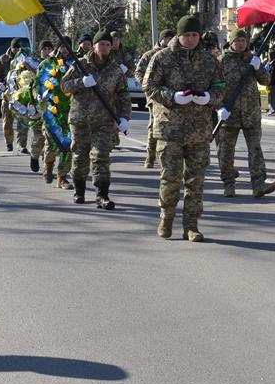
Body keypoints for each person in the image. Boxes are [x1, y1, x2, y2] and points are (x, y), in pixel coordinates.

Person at [144, 15, 224, 242]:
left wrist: (209, 97)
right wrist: (172, 97)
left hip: (199, 130)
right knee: (170, 178)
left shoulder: (209, 61)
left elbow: (220, 87)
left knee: (196, 181)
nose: (190, 39)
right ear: (178, 35)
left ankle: (191, 225)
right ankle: (166, 217)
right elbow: (149, 86)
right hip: (170, 129)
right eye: (186, 35)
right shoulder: (163, 58)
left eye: (194, 35)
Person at [60, 30, 131, 209]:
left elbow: (123, 95)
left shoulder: (116, 69)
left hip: (104, 122)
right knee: (80, 156)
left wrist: (124, 117)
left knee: (101, 157)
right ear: (94, 45)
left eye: (108, 44)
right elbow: (64, 86)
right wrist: (81, 83)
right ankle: (80, 191)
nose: (105, 47)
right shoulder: (80, 64)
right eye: (102, 44)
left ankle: (102, 195)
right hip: (80, 120)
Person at [217, 29, 275, 198]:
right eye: (237, 41)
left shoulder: (253, 60)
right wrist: (219, 107)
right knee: (226, 152)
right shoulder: (222, 61)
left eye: (243, 40)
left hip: (251, 113)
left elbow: (266, 81)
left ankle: (258, 184)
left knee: (255, 149)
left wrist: (259, 68)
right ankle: (228, 183)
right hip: (230, 114)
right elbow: (214, 86)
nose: (241, 43)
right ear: (231, 42)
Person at [135, 29, 175, 171]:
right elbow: (139, 72)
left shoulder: (174, 54)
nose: (170, 40)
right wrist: (148, 87)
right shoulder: (150, 55)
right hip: (155, 97)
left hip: (171, 97)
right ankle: (150, 157)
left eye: (172, 37)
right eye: (167, 38)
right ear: (161, 39)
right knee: (154, 127)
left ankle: (164, 157)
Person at [38, 37, 75, 188]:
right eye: (62, 46)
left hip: (70, 110)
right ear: (58, 47)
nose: (65, 50)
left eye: (67, 47)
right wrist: (40, 95)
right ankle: (48, 166)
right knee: (51, 142)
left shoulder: (74, 64)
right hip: (51, 110)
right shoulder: (46, 64)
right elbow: (37, 84)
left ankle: (62, 177)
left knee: (68, 144)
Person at [0, 39, 25, 153]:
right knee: (7, 121)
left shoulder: (24, 59)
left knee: (22, 121)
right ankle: (9, 142)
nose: (16, 50)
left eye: (18, 48)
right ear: (11, 48)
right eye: (14, 48)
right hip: (7, 94)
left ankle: (22, 144)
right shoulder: (3, 59)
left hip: (22, 95)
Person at [28, 40, 54, 173]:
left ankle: (47, 167)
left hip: (52, 107)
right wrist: (36, 97)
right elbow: (33, 85)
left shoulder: (56, 65)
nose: (47, 51)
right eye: (45, 49)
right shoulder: (34, 64)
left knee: (51, 138)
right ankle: (34, 156)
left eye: (50, 49)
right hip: (38, 106)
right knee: (39, 137)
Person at [265, 51, 275, 115]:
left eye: (269, 55)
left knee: (273, 97)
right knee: (270, 97)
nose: (268, 57)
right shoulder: (270, 64)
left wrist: (271, 83)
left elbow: (274, 76)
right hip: (269, 83)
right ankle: (271, 109)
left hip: (272, 83)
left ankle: (273, 110)